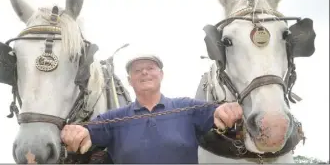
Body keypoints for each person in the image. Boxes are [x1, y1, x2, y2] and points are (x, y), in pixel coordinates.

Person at [61, 54, 243, 163]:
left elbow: (216, 112)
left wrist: (226, 110)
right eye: (137, 70)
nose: (144, 72)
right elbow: (87, 133)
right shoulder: (113, 119)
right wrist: (76, 132)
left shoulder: (187, 107)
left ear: (161, 75)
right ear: (129, 81)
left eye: (150, 68)